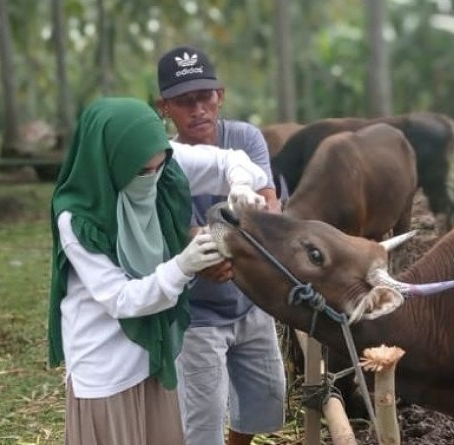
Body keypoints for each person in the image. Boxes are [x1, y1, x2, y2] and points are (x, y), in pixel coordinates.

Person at [48, 96, 270, 445]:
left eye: (157, 169)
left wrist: (240, 184)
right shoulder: (78, 221)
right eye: (140, 173)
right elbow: (121, 300)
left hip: (154, 352)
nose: (150, 180)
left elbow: (231, 161)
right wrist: (183, 266)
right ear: (110, 163)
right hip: (106, 367)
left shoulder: (164, 165)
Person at [156, 45, 286, 445]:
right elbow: (182, 231)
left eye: (205, 97)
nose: (198, 109)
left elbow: (268, 210)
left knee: (265, 399)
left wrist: (220, 248)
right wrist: (218, 250)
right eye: (184, 101)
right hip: (197, 312)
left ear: (220, 96)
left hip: (251, 299)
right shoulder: (161, 161)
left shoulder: (244, 138)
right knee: (203, 421)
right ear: (165, 108)